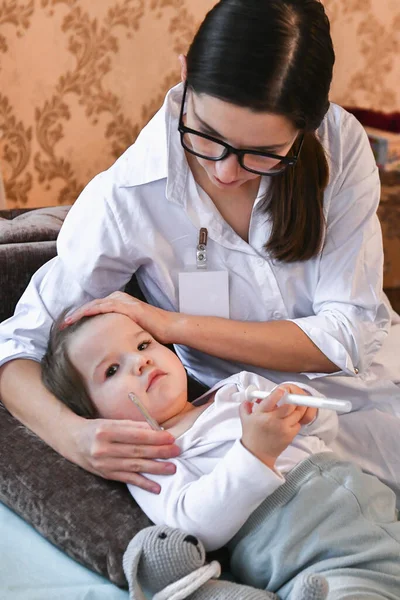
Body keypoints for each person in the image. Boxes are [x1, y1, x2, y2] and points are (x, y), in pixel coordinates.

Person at [0, 0, 399, 497]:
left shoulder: (340, 145)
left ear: (307, 127)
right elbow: (17, 346)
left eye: (263, 154)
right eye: (207, 136)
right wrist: (74, 437)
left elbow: (347, 334)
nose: (226, 172)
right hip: (247, 439)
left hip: (379, 399)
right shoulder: (129, 196)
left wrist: (174, 326)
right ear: (185, 74)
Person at [41, 311, 400, 600]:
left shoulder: (237, 388)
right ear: (94, 417)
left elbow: (323, 434)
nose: (139, 362)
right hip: (314, 559)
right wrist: (254, 455)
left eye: (143, 344)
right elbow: (193, 525)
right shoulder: (152, 455)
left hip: (376, 511)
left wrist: (306, 407)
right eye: (112, 370)